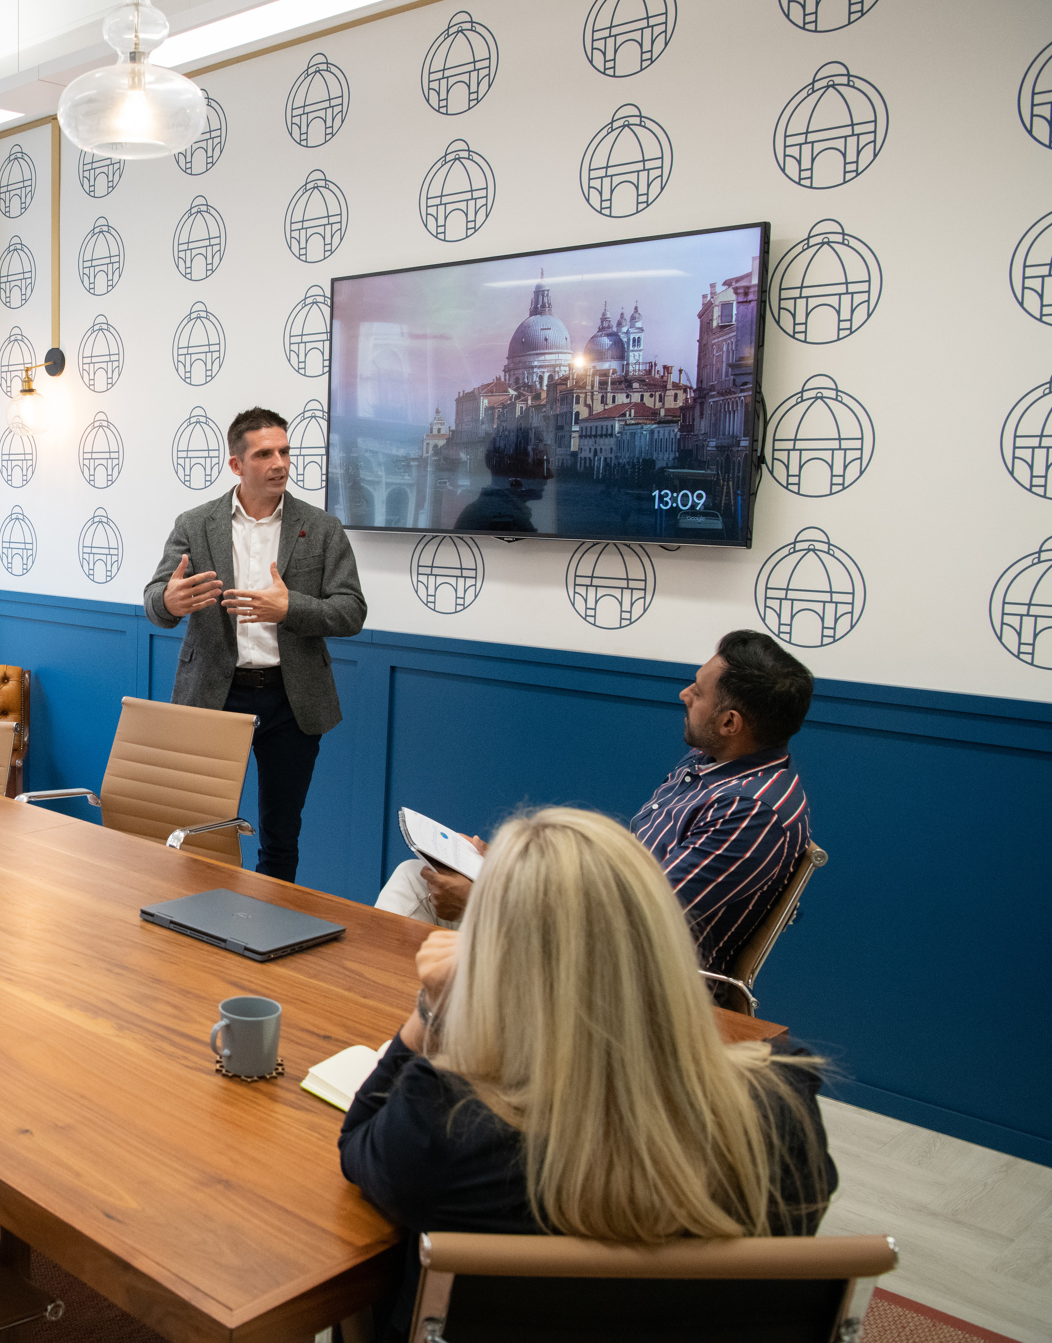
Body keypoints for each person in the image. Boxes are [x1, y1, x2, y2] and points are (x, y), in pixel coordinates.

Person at [341, 807, 835, 1339]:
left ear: (499, 961)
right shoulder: (787, 1107)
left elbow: (358, 1141)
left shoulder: (443, 1128)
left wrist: (432, 1008)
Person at [377, 630, 813, 976]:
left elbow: (637, 929)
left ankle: (378, 1035)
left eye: (698, 692)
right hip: (594, 941)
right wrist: (510, 870)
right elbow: (616, 879)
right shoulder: (714, 764)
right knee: (419, 876)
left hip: (623, 982)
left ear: (730, 722)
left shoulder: (749, 812)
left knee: (419, 892)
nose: (684, 695)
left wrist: (488, 899)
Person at [143, 408, 367, 882]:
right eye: (264, 454)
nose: (280, 463)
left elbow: (351, 611)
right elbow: (155, 603)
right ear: (237, 465)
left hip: (292, 700)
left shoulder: (322, 528)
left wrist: (292, 609)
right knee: (198, 825)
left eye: (285, 451)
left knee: (281, 834)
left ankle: (272, 935)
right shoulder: (195, 524)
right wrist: (169, 599)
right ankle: (195, 925)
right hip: (213, 695)